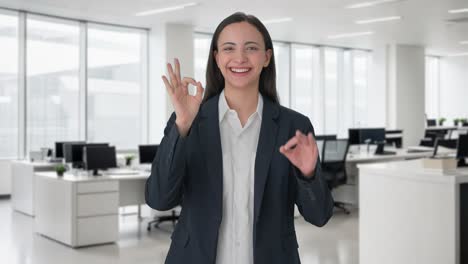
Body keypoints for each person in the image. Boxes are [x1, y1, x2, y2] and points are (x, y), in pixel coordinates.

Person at [145, 12, 334, 264]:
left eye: (251, 48)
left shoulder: (294, 126)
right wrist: (182, 126)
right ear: (217, 58)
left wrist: (309, 176)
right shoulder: (190, 120)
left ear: (266, 57)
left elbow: (319, 216)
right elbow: (159, 199)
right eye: (229, 48)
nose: (240, 58)